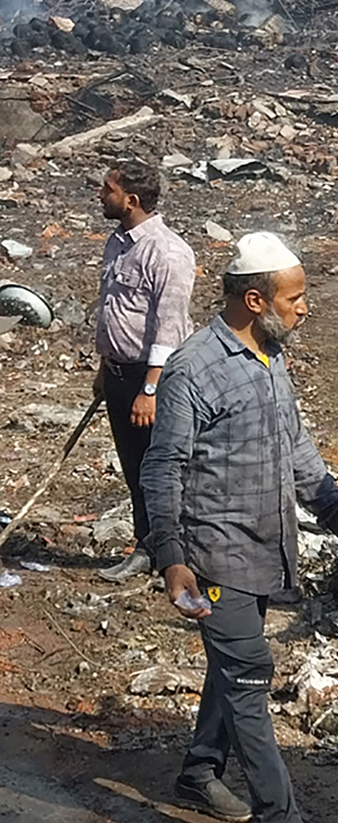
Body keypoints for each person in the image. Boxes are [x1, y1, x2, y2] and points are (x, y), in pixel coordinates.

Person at [141, 231, 338, 823]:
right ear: (256, 298)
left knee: (236, 665)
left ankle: (198, 772)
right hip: (214, 555)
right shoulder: (194, 368)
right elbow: (163, 468)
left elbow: (298, 453)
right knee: (250, 676)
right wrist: (171, 557)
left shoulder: (270, 357)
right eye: (296, 298)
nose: (306, 308)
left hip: (264, 549)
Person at [93, 165, 196, 581]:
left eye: (109, 189)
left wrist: (150, 388)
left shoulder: (168, 252)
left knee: (163, 470)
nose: (101, 194)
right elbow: (111, 310)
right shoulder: (116, 243)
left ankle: (177, 556)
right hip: (119, 375)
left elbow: (168, 326)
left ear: (131, 200)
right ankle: (146, 546)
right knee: (135, 468)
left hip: (153, 379)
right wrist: (104, 369)